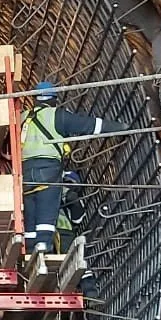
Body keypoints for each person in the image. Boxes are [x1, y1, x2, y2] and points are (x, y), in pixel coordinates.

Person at [20, 81, 125, 254]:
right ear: (54, 99)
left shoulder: (22, 117)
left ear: (34, 99)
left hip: (25, 173)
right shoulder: (57, 116)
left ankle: (30, 248)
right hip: (48, 169)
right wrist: (120, 128)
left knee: (30, 210)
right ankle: (43, 244)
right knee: (47, 207)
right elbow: (91, 126)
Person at [55, 170, 97, 301]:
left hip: (62, 231)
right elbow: (77, 219)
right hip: (58, 230)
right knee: (72, 257)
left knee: (74, 257)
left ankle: (89, 291)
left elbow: (77, 219)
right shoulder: (57, 193)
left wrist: (72, 200)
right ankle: (88, 291)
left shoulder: (68, 196)